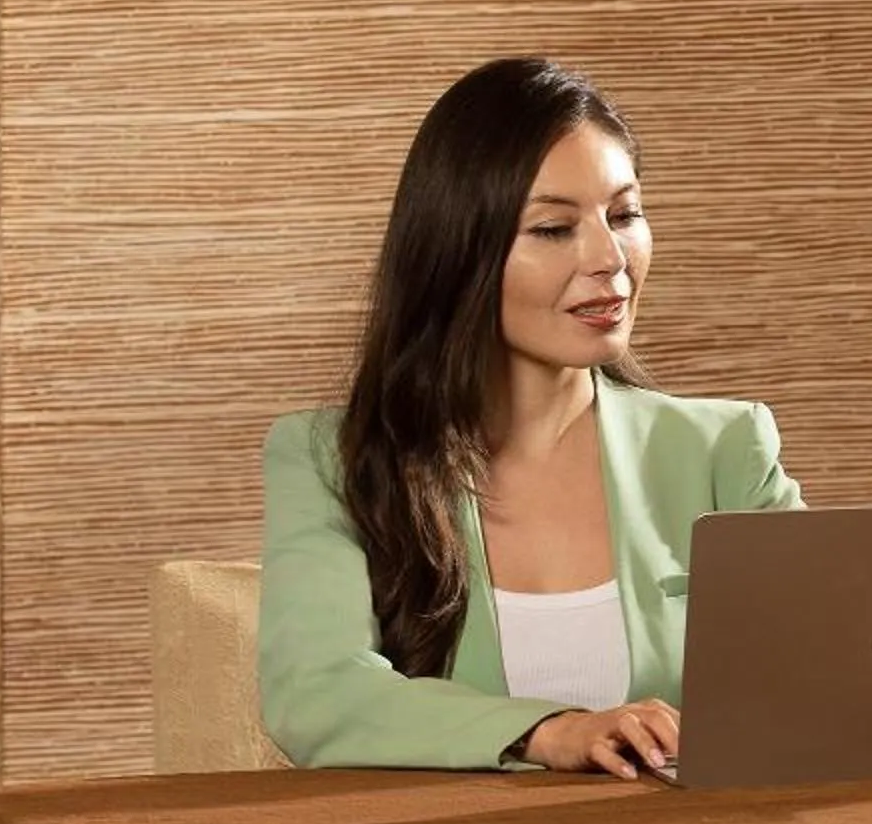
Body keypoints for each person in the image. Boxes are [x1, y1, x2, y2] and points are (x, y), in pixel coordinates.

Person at [258, 57, 801, 774]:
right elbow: (314, 695)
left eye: (625, 215)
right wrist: (550, 731)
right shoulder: (331, 458)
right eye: (553, 228)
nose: (610, 259)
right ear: (458, 251)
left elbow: (833, 676)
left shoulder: (724, 449)